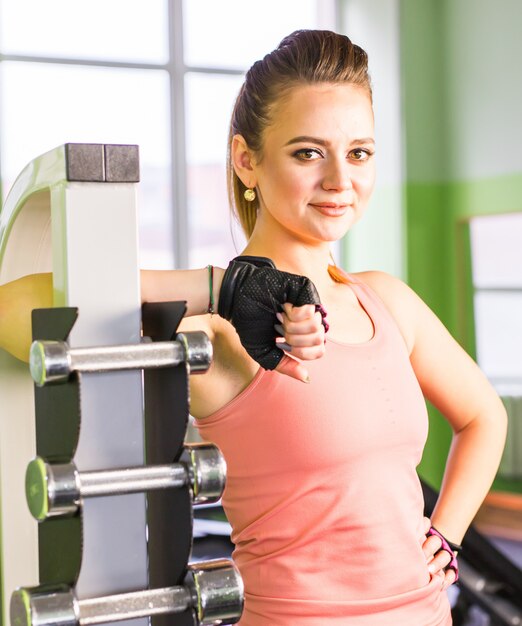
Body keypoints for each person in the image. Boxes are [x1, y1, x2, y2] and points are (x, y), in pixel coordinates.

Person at [0, 30, 507, 626]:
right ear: (248, 159)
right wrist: (223, 286)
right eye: (308, 152)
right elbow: (17, 308)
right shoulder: (218, 330)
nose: (341, 180)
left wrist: (445, 535)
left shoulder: (386, 301)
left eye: (360, 153)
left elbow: (483, 417)